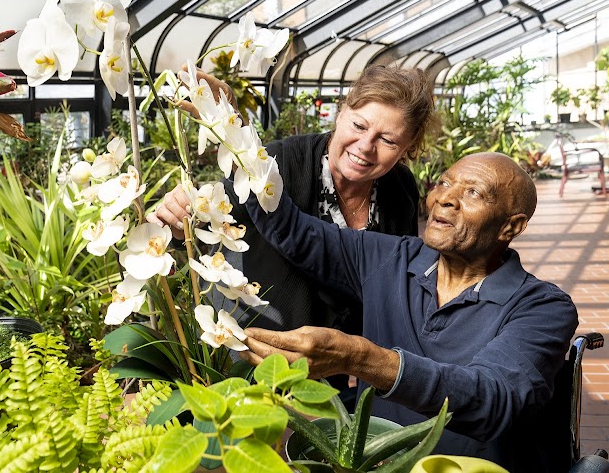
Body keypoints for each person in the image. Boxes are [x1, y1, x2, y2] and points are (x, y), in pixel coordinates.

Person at [239, 151, 578, 472]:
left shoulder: (543, 308)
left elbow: (492, 399)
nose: (444, 198)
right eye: (444, 183)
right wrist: (231, 126)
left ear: (510, 227)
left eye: (474, 193)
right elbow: (293, 229)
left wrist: (361, 358)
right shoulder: (391, 257)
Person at [150, 65, 440, 341]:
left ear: (407, 148)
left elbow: (391, 280)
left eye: (387, 140)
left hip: (335, 368)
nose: (365, 146)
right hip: (257, 350)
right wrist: (180, 216)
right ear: (340, 113)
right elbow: (216, 210)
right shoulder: (282, 162)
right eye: (359, 125)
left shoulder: (399, 189)